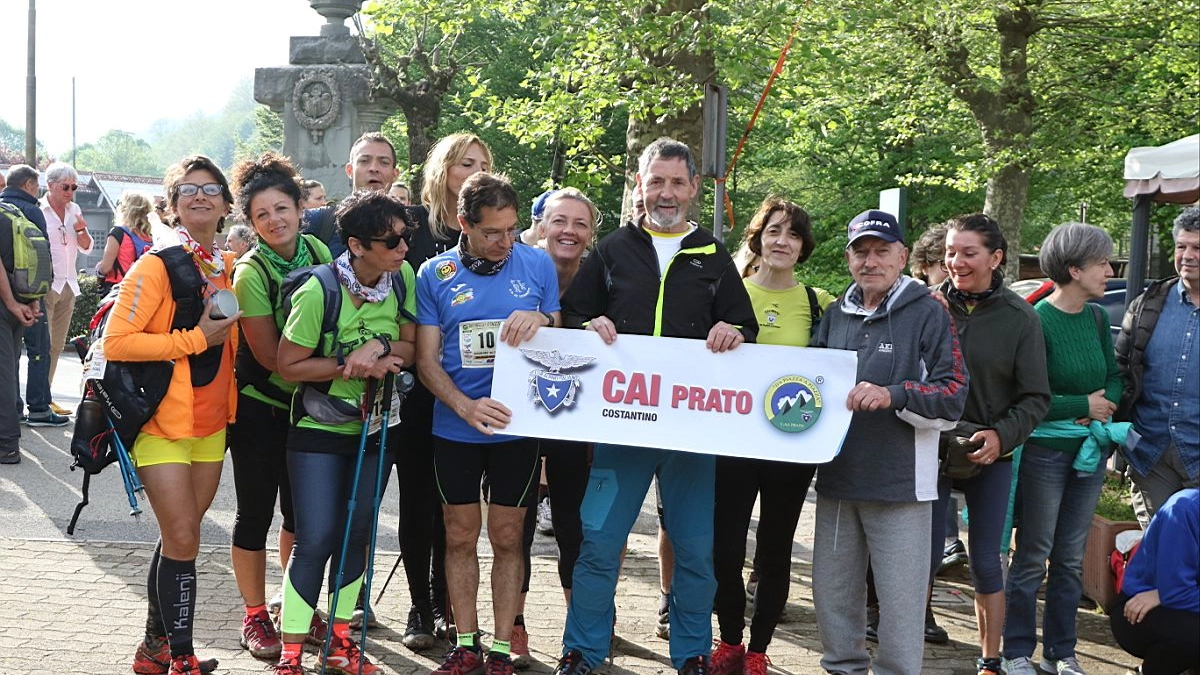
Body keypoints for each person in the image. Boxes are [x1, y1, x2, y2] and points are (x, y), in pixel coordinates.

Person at [555, 138, 757, 675]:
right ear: (640, 186)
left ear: (694, 188)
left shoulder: (713, 255)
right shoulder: (611, 250)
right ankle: (583, 649)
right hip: (621, 430)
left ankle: (691, 654)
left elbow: (745, 327)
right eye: (655, 181)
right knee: (599, 544)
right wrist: (585, 325)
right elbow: (574, 315)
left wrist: (731, 330)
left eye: (676, 182)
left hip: (690, 435)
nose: (665, 193)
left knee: (695, 553)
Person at [809, 209, 967, 675]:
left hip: (903, 485)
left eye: (882, 251)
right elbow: (811, 385)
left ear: (902, 257)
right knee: (833, 594)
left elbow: (954, 394)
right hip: (838, 480)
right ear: (848, 259)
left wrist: (893, 394)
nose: (871, 261)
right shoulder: (835, 315)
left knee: (901, 606)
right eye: (861, 252)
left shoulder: (929, 312)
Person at [105, 155, 242, 675]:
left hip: (211, 426)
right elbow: (119, 342)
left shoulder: (229, 267)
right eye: (188, 190)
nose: (200, 196)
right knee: (182, 535)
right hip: (161, 423)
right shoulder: (155, 265)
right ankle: (181, 658)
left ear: (227, 205)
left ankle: (152, 649)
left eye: (211, 189)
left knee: (181, 535)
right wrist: (195, 338)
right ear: (172, 206)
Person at [271, 189, 416, 675]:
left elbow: (412, 346)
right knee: (316, 538)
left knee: (358, 536)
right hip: (318, 429)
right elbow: (287, 366)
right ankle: (291, 654)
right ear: (355, 245)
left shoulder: (401, 278)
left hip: (376, 428)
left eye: (406, 236)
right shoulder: (320, 291)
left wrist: (377, 345)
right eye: (391, 240)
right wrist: (346, 366)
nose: (403, 248)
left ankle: (339, 644)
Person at [417, 172, 557, 675]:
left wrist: (545, 320)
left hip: (518, 429)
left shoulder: (537, 263)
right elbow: (427, 361)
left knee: (506, 535)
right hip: (456, 427)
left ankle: (501, 647)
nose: (505, 242)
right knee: (459, 535)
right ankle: (465, 642)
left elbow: (560, 332)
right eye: (493, 233)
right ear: (463, 223)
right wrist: (464, 407)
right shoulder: (434, 274)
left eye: (512, 230)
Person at [708, 197, 834, 675]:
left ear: (804, 247)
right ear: (757, 238)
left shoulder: (819, 303)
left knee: (776, 547)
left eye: (794, 234)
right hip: (733, 444)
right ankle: (729, 641)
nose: (783, 241)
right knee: (726, 545)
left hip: (792, 446)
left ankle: (759, 651)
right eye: (774, 231)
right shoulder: (727, 295)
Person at [227, 153, 335, 661]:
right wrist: (341, 364)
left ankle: (295, 604)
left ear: (299, 208)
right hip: (261, 408)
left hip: (308, 408)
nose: (274, 220)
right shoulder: (250, 270)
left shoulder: (317, 247)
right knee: (254, 514)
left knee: (302, 516)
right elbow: (273, 358)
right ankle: (253, 615)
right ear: (250, 223)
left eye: (282, 209)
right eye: (262, 215)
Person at [1003, 222, 1123, 675]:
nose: (1109, 270)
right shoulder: (1035, 321)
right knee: (1032, 555)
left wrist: (1104, 402)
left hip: (1089, 455)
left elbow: (1113, 372)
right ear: (1074, 269)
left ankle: (1061, 653)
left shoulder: (1095, 317)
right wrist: (1082, 404)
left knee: (1070, 560)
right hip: (1043, 454)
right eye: (1101, 263)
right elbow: (1022, 395)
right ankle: (1016, 652)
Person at [933, 213, 1050, 675]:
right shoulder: (927, 305)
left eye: (968, 253)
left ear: (996, 258)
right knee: (922, 556)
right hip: (929, 443)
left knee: (985, 559)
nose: (955, 262)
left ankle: (990, 660)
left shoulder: (1022, 318)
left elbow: (1036, 397)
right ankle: (904, 646)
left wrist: (1002, 434)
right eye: (949, 252)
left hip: (990, 448)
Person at [396, 132, 493, 649]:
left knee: (457, 510)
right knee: (418, 503)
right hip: (418, 390)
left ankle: (453, 606)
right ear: (441, 171)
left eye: (481, 164)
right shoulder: (409, 227)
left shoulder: (495, 232)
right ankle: (419, 606)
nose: (471, 173)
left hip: (473, 393)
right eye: (462, 164)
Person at [510, 187, 598, 668]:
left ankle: (578, 631)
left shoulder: (601, 276)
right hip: (520, 416)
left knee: (573, 526)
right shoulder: (517, 266)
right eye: (559, 220)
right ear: (540, 224)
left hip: (577, 421)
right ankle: (516, 625)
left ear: (590, 234)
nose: (569, 231)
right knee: (516, 525)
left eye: (580, 224)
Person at [1115, 206, 1199, 529]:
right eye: (1181, 246)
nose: (1187, 255)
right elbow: (1121, 369)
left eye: (1197, 247)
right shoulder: (1148, 304)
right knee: (1160, 549)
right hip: (1151, 456)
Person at [0, 164, 67, 427]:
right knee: (40, 350)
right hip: (27, 294)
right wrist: (36, 298)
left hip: (6, 299)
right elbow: (42, 257)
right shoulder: (31, 211)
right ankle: (39, 408)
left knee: (9, 359)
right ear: (28, 184)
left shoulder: (2, 210)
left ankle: (13, 409)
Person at [1108, 487, 1199, 675]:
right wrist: (1167, 593)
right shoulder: (1183, 509)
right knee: (1193, 638)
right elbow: (1177, 592)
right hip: (1138, 608)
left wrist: (1165, 594)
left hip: (1175, 598)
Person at [40, 162, 93, 391]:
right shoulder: (37, 210)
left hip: (69, 285)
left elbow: (88, 247)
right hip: (44, 285)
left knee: (57, 346)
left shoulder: (75, 211)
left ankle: (45, 395)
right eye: (65, 187)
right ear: (50, 185)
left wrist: (81, 230)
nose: (70, 192)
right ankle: (37, 399)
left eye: (74, 187)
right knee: (42, 346)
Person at [305, 132, 400, 258]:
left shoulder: (407, 229)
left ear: (395, 174)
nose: (373, 168)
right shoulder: (318, 221)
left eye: (384, 162)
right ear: (349, 170)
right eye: (364, 161)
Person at [0, 202, 39, 464]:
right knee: (9, 370)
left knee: (3, 374)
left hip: (6, 303)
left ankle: (6, 444)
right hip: (18, 299)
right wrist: (30, 301)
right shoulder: (11, 212)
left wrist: (13, 305)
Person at [96, 191, 155, 296]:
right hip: (143, 291)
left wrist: (99, 271)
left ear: (125, 210)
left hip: (117, 289)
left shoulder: (118, 233)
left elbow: (106, 268)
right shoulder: (152, 237)